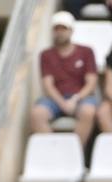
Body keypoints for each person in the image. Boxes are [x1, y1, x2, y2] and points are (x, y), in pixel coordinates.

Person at [30, 11, 99, 147]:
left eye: (64, 28)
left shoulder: (86, 51)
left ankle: (74, 155)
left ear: (71, 30)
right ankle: (55, 154)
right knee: (36, 114)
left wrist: (75, 99)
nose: (60, 32)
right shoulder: (46, 55)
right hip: (55, 99)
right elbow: (48, 85)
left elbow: (91, 83)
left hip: (81, 97)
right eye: (57, 28)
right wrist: (63, 103)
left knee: (88, 111)